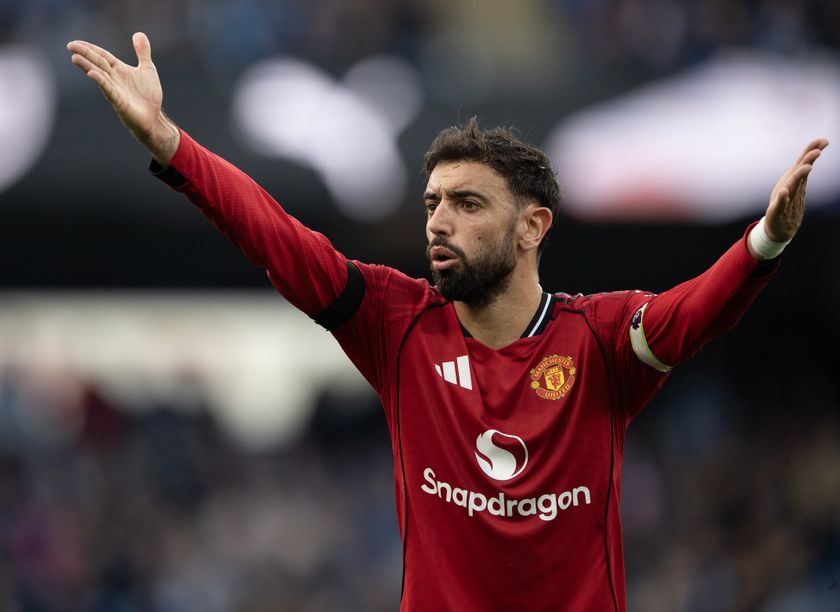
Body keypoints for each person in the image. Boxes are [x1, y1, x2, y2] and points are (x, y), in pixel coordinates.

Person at [67, 32, 828, 612]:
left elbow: (696, 312)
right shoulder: (395, 324)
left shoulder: (598, 340)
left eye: (467, 204)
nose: (439, 221)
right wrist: (171, 145)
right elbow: (274, 234)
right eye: (433, 202)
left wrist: (767, 239)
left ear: (532, 227)